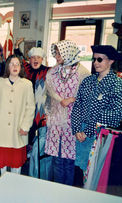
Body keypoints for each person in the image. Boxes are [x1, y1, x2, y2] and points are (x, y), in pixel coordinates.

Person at [71, 45, 122, 186]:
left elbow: (117, 114)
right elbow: (77, 106)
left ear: (111, 61)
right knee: (77, 172)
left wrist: (88, 129)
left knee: (94, 176)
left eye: (99, 59)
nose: (96, 63)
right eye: (94, 59)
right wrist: (76, 129)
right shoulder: (88, 81)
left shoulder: (117, 84)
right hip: (81, 134)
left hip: (101, 136)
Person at [44, 40, 90, 186]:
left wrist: (72, 99)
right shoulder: (53, 71)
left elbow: (88, 95)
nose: (57, 56)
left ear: (68, 52)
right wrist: (60, 99)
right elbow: (49, 89)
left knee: (69, 160)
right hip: (57, 120)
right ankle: (57, 190)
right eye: (56, 53)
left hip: (73, 121)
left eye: (59, 53)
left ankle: (67, 192)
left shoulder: (82, 72)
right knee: (57, 159)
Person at [0, 54, 35, 175]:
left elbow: (30, 107)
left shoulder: (27, 84)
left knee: (16, 166)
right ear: (7, 66)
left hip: (18, 130)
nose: (15, 66)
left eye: (17, 64)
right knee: (0, 164)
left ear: (21, 67)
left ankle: (14, 189)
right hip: (1, 130)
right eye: (12, 64)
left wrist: (25, 126)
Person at [14, 38, 53, 180]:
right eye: (33, 57)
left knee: (39, 148)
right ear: (29, 59)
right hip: (26, 113)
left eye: (38, 57)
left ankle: (35, 176)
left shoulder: (49, 72)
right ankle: (22, 169)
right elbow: (17, 59)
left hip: (42, 114)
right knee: (25, 143)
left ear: (42, 59)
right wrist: (17, 46)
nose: (35, 60)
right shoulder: (26, 70)